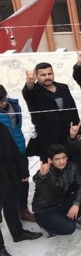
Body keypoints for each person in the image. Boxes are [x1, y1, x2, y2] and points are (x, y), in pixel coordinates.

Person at [0, 124, 42, 256]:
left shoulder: (2, 128)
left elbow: (14, 150)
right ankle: (0, 249)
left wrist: (23, 171)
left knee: (12, 206)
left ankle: (17, 233)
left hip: (9, 177)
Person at [22, 63, 79, 162]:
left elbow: (73, 109)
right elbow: (28, 93)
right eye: (43, 75)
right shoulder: (35, 91)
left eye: (50, 74)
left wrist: (78, 130)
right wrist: (30, 83)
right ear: (36, 76)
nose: (47, 77)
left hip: (67, 135)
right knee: (50, 167)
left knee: (71, 164)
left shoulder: (63, 87)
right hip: (47, 139)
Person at [32, 144, 81, 238]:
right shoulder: (47, 171)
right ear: (51, 160)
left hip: (61, 202)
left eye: (63, 157)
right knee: (70, 228)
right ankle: (46, 224)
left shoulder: (72, 166)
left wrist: (76, 204)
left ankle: (70, 217)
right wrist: (42, 175)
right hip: (46, 209)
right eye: (57, 159)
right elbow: (38, 180)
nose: (62, 161)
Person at [0, 85, 33, 222]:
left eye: (4, 99)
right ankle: (12, 215)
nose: (3, 103)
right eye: (0, 101)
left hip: (19, 148)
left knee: (24, 180)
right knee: (9, 186)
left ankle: (23, 210)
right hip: (5, 155)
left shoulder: (14, 106)